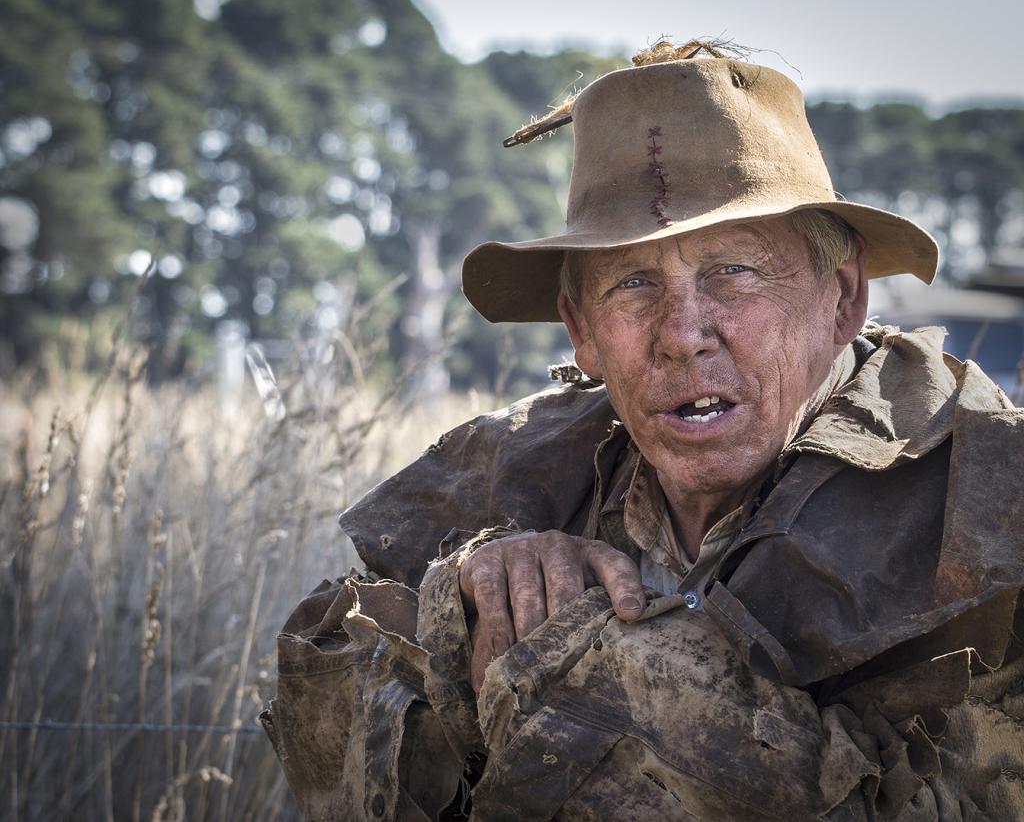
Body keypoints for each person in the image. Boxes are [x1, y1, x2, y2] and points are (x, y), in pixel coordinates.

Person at [262, 40, 1024, 821]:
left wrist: (606, 662)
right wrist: (468, 600)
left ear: (843, 297)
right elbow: (322, 668)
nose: (683, 332)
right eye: (633, 283)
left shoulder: (993, 494)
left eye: (736, 270)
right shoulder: (522, 461)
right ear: (580, 330)